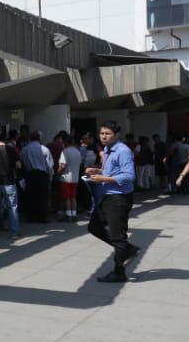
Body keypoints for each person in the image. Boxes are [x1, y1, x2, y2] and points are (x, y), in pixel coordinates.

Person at [84, 121, 138, 283]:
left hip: (118, 198)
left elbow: (129, 176)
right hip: (107, 196)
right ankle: (127, 249)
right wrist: (97, 171)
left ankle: (119, 272)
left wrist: (103, 178)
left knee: (118, 237)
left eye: (107, 133)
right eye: (102, 133)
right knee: (93, 226)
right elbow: (113, 171)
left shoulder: (123, 151)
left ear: (117, 135)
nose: (104, 136)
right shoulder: (108, 150)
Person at [20, 131, 52, 222]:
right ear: (39, 138)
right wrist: (50, 177)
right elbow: (49, 165)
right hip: (42, 175)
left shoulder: (25, 149)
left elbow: (22, 160)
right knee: (42, 196)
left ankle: (31, 216)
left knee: (31, 196)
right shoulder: (45, 149)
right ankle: (42, 217)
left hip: (30, 174)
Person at [56, 134, 83, 221]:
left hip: (66, 177)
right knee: (73, 197)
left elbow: (62, 166)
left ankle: (68, 215)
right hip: (75, 178)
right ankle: (74, 215)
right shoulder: (77, 152)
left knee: (67, 197)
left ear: (66, 142)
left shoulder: (65, 151)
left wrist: (58, 173)